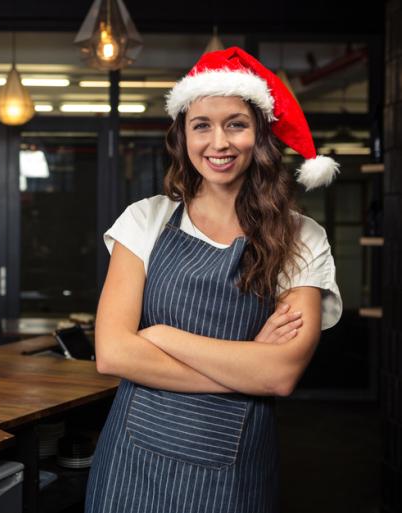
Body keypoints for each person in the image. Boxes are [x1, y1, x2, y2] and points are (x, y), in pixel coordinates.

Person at [85, 47, 343, 513]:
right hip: (131, 466)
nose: (218, 142)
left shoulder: (300, 236)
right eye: (201, 125)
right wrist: (247, 369)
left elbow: (280, 374)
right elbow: (112, 353)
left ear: (259, 134)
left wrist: (160, 337)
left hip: (234, 470)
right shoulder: (145, 220)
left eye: (236, 124)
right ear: (183, 135)